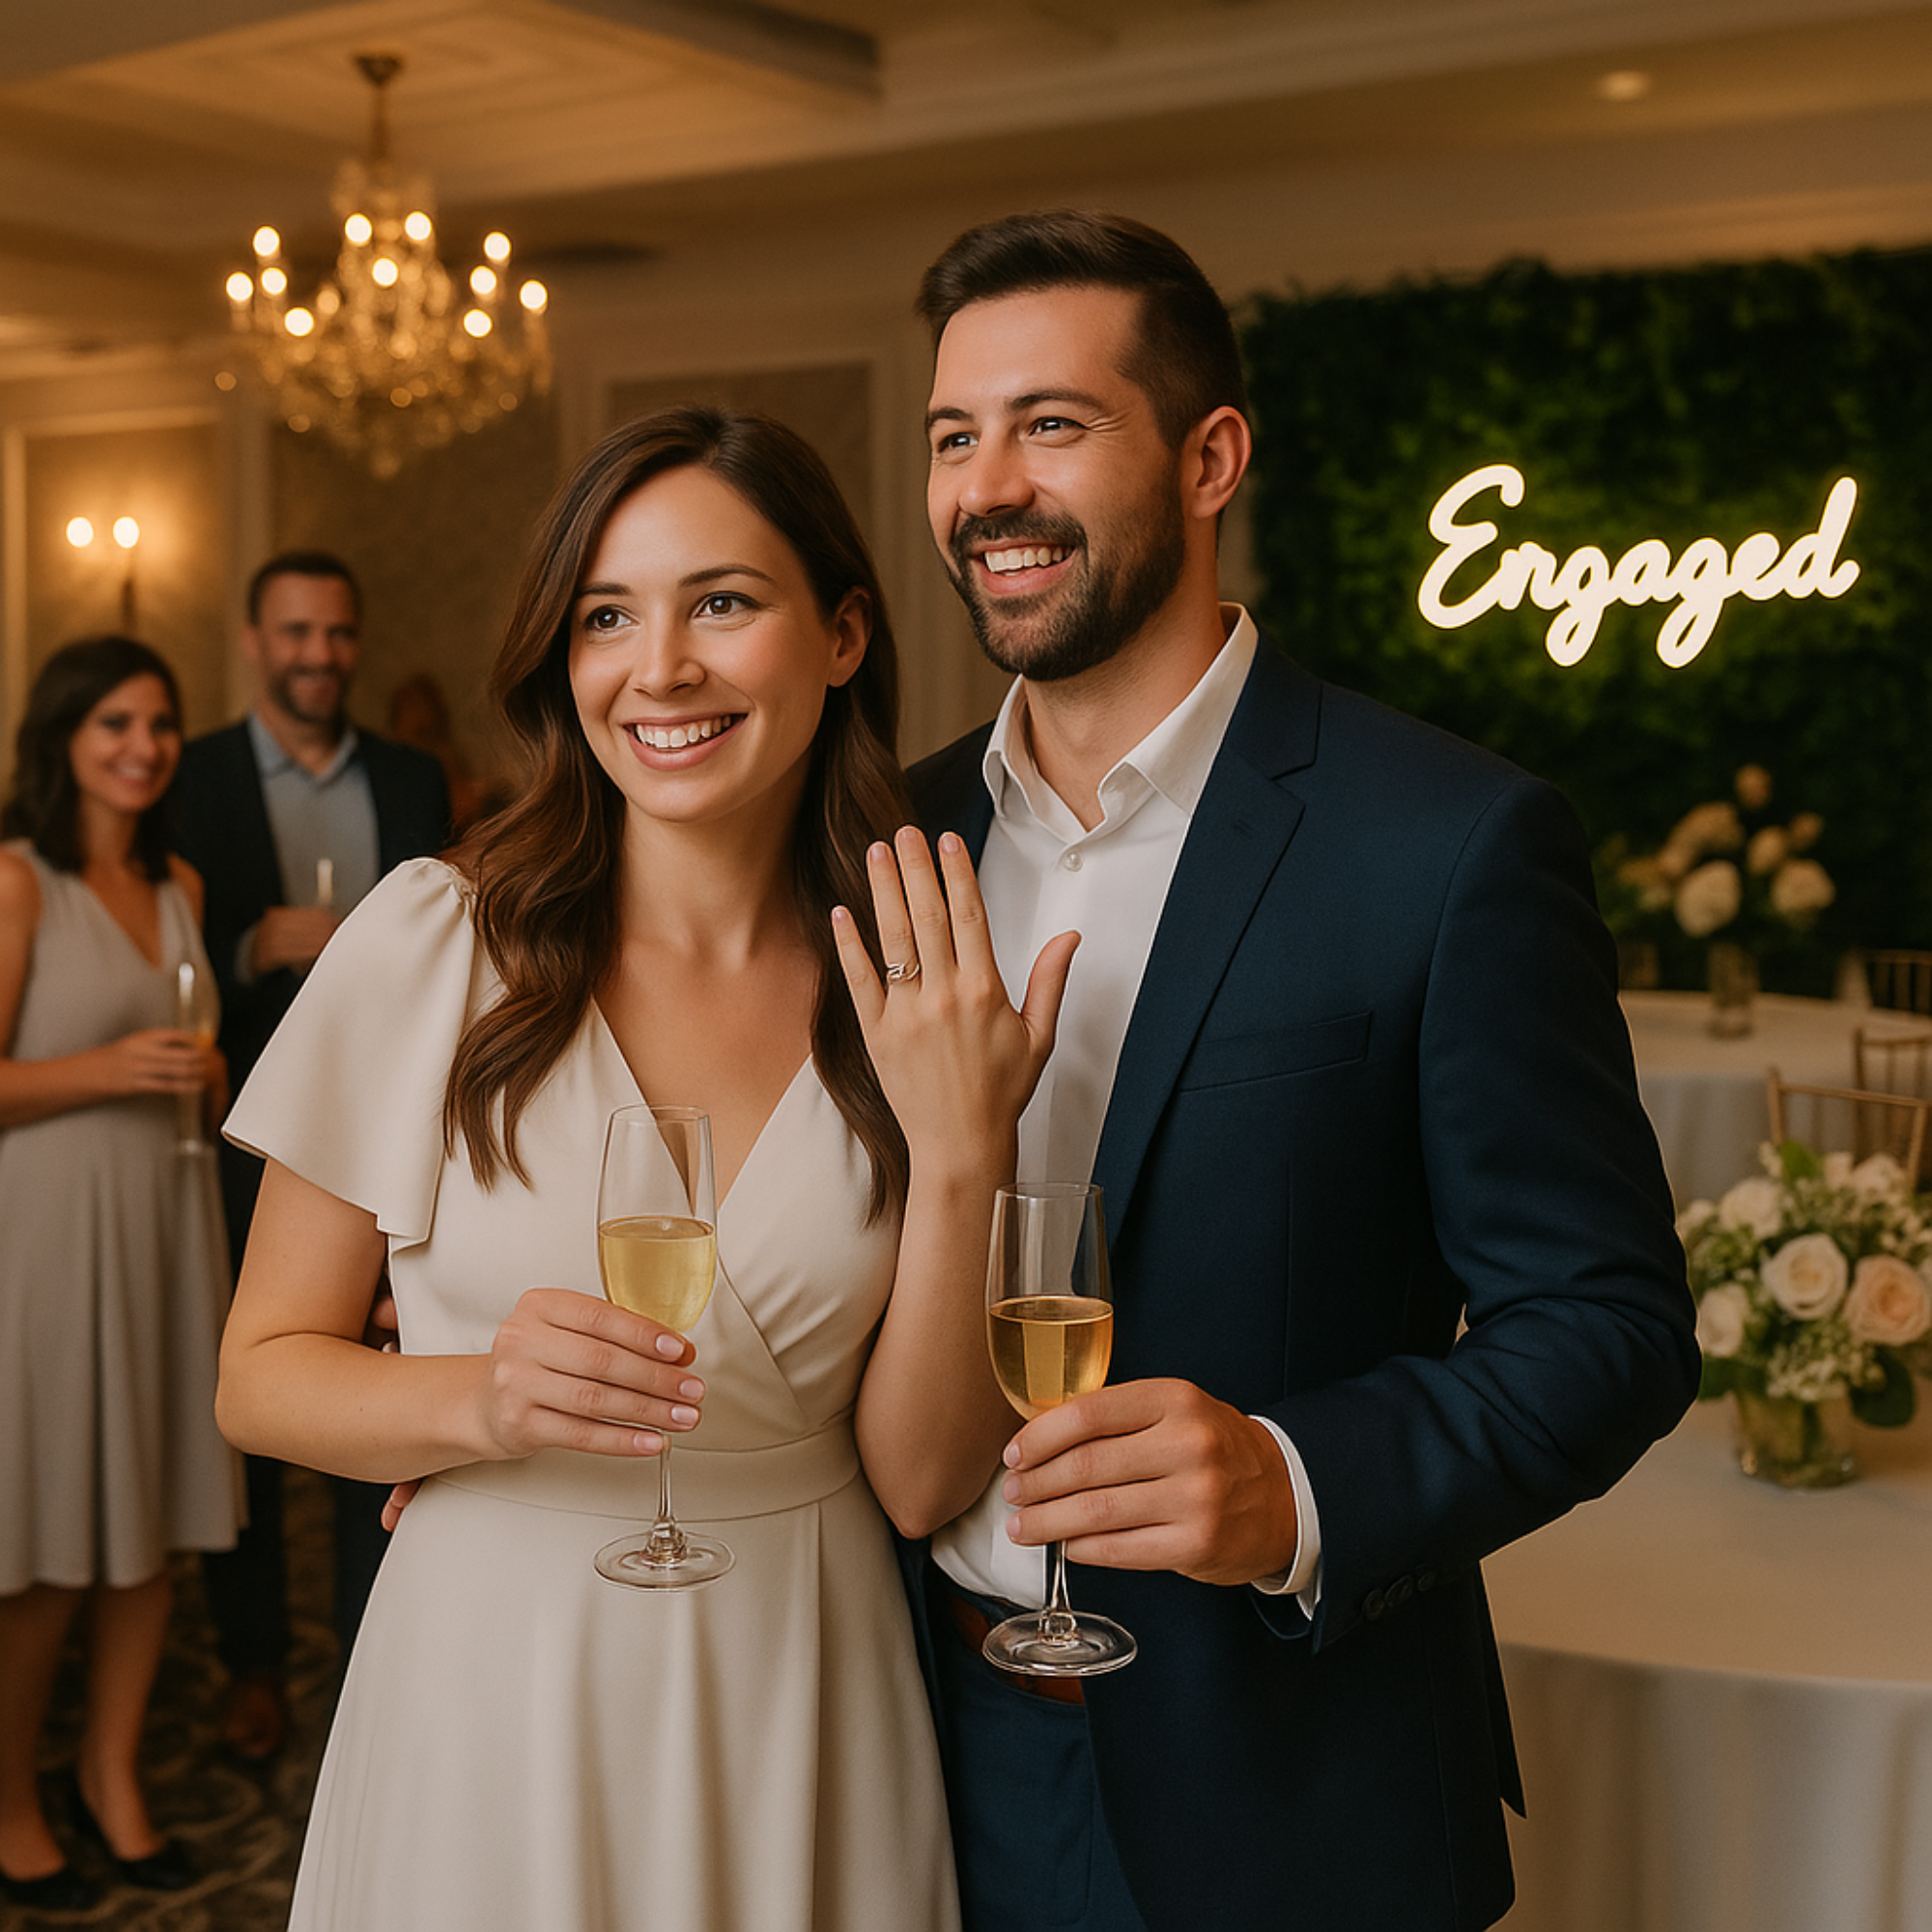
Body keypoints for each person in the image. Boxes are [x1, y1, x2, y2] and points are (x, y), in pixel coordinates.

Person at [897, 209, 1701, 1932]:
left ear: (1210, 456)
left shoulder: (1449, 841)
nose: (987, 490)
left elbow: (1613, 1327)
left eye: (1052, 423)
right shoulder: (888, 838)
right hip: (912, 1754)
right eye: (954, 436)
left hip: (1294, 1791)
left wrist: (1296, 1482)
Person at [213, 405, 1071, 1932]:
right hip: (489, 1683)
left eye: (722, 603)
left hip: (805, 1683)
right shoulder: (433, 938)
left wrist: (965, 1157)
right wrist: (476, 1400)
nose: (657, 668)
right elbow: (261, 1376)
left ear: (843, 634)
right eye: (607, 616)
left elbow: (924, 1477)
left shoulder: (923, 976)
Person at [173, 550, 449, 1758]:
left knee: (376, 1383)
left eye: (338, 633)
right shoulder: (189, 778)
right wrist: (247, 949)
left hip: (389, 1133)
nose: (319, 655)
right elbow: (159, 932)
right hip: (233, 1133)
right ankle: (249, 1664)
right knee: (252, 1397)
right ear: (253, 640)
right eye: (295, 632)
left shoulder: (412, 777)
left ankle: (363, 1659)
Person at [0, 637, 242, 1913]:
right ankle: (12, 1797)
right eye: (113, 725)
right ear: (64, 738)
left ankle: (114, 1779)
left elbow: (196, 1045)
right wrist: (111, 1073)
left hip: (164, 1224)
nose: (143, 746)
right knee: (45, 1541)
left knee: (151, 1527)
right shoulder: (17, 882)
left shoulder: (183, 879)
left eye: (158, 722)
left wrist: (203, 1076)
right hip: (45, 1242)